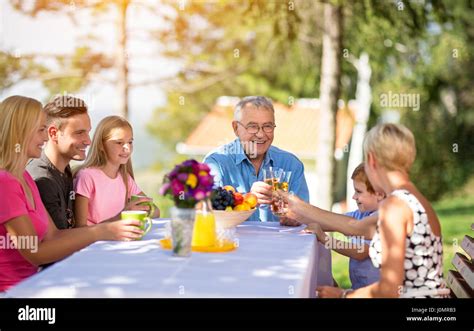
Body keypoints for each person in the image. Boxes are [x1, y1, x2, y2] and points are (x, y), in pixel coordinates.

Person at [279, 123, 445, 298]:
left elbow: (389, 290)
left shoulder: (395, 207)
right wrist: (297, 210)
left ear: (372, 160)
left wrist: (343, 295)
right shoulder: (411, 198)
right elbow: (356, 227)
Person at [0, 95, 143, 292]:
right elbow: (36, 252)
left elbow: (54, 235)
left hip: (38, 283)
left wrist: (112, 225)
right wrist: (103, 231)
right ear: (19, 132)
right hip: (17, 291)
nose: (44, 137)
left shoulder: (24, 176)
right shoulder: (8, 182)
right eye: (40, 130)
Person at [203, 96, 309, 224]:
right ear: (236, 128)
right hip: (233, 243)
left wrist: (295, 218)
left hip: (280, 242)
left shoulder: (291, 165)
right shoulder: (216, 163)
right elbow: (207, 216)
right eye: (252, 126)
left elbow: (305, 217)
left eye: (267, 126)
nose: (260, 134)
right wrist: (246, 201)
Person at [74, 115, 159, 227]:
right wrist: (122, 216)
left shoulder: (125, 178)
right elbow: (80, 229)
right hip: (96, 244)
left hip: (119, 240)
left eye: (130, 142)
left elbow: (156, 211)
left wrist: (145, 209)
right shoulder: (87, 177)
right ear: (101, 145)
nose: (127, 148)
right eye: (119, 142)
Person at [308, 163, 383, 290]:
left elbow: (360, 251)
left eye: (358, 192)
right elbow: (329, 222)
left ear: (378, 193)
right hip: (359, 289)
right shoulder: (360, 214)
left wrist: (325, 239)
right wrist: (297, 219)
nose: (354, 197)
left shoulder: (382, 219)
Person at [27, 95, 91, 229]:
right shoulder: (42, 180)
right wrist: (111, 226)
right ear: (53, 133)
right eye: (79, 133)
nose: (88, 141)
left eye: (87, 132)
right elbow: (59, 240)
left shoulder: (64, 169)